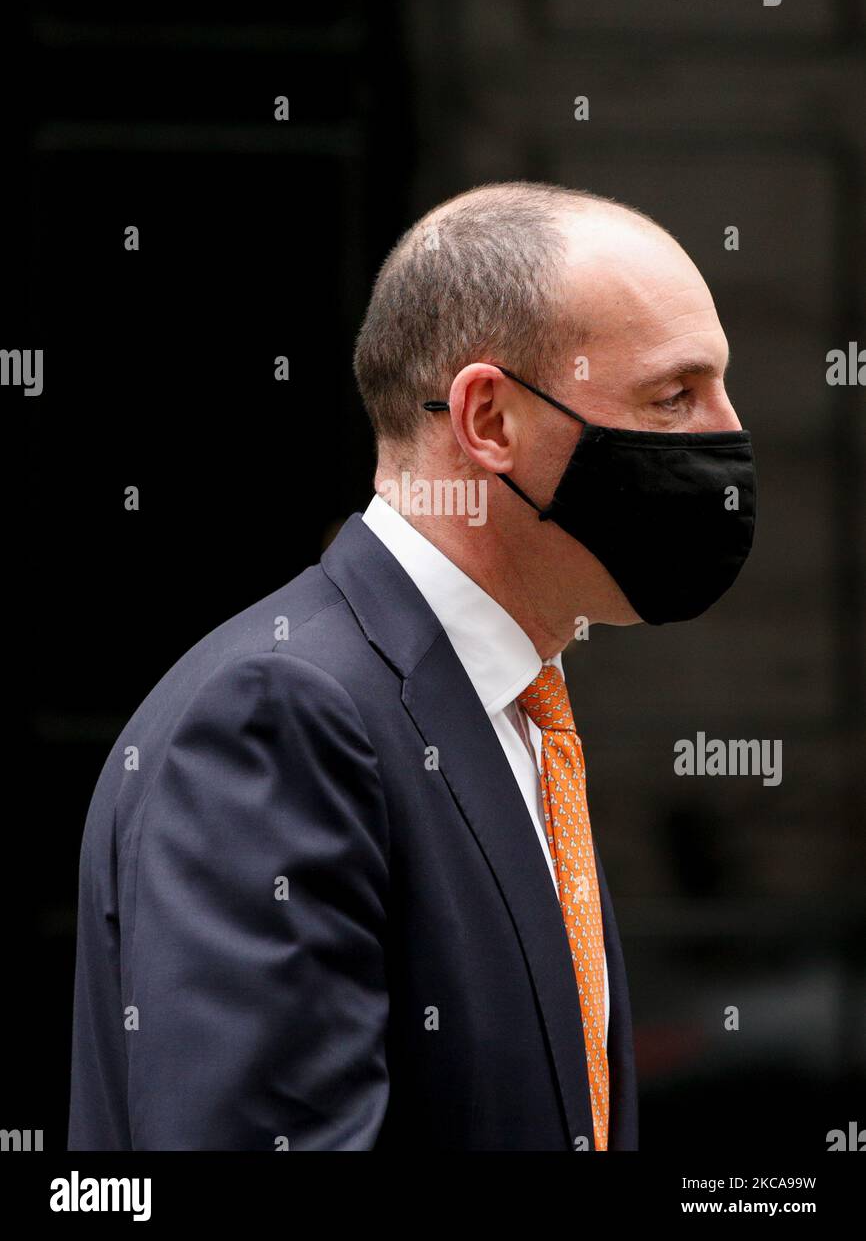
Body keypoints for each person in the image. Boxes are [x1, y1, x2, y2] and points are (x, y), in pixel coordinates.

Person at [67, 181, 755, 1151]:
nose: (726, 437)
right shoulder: (280, 714)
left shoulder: (511, 709)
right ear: (488, 420)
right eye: (673, 396)